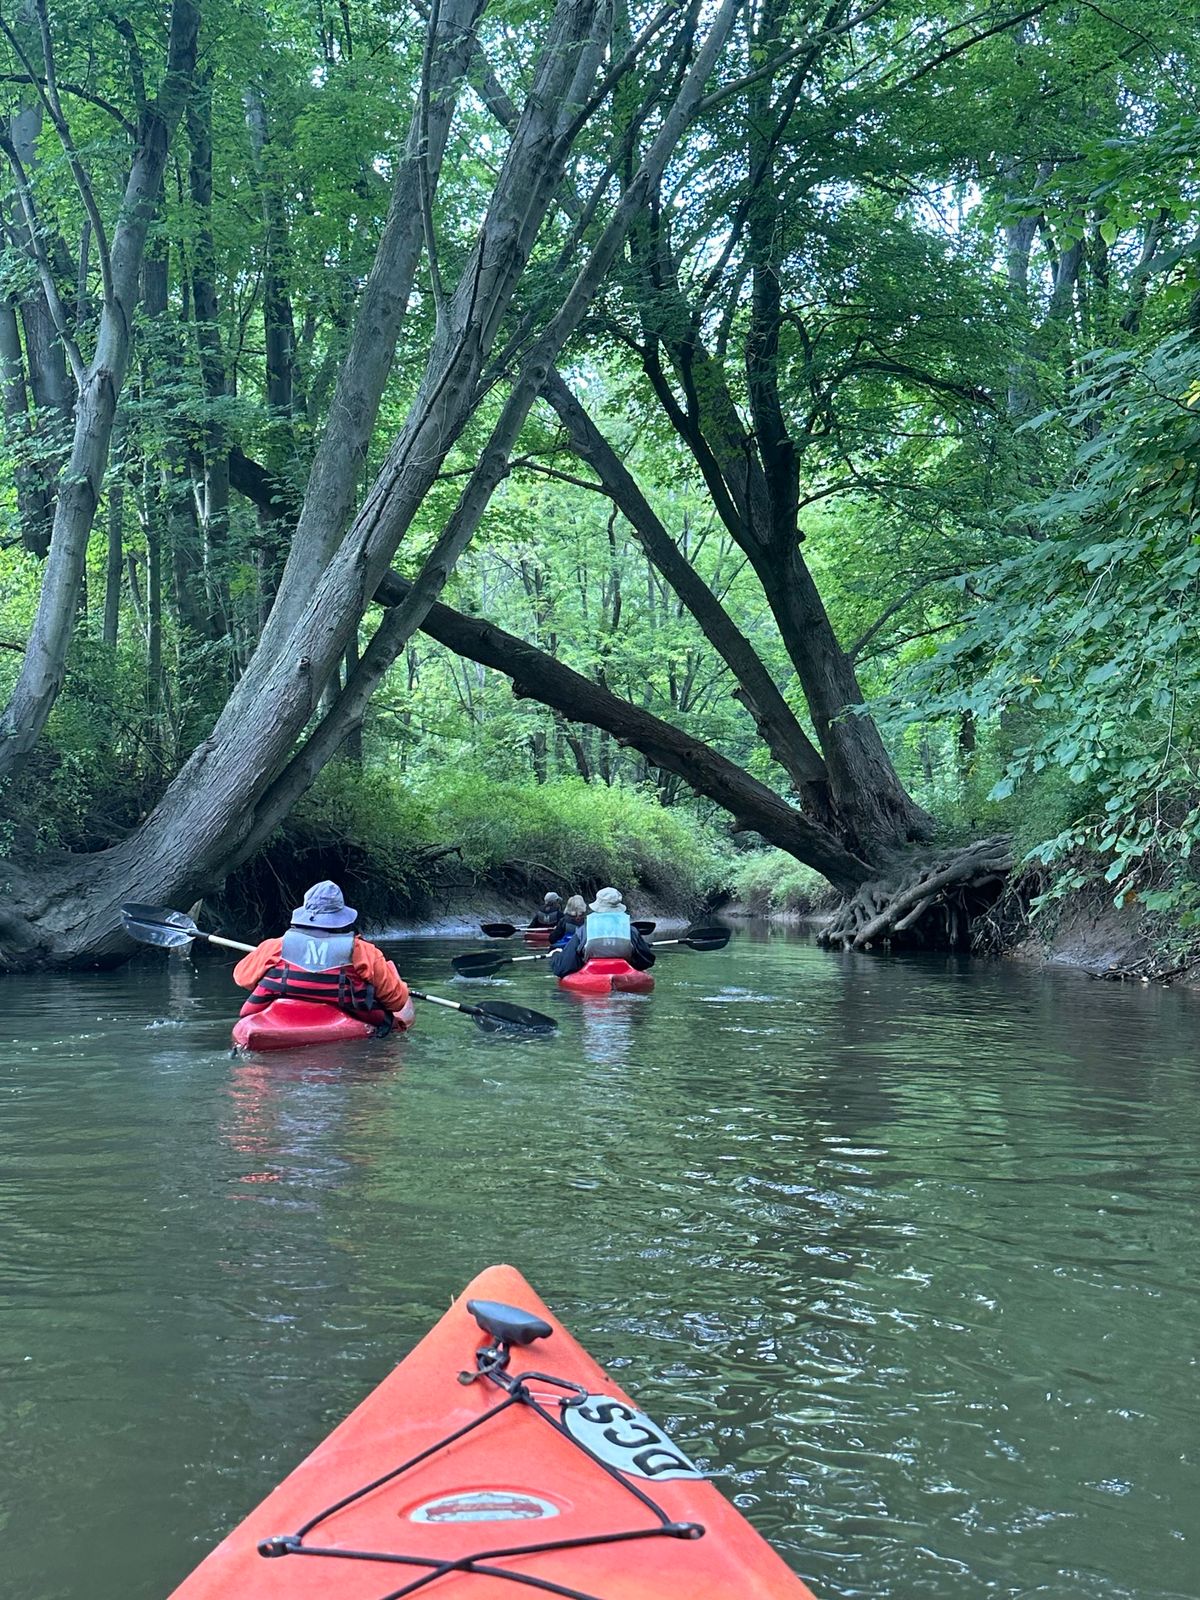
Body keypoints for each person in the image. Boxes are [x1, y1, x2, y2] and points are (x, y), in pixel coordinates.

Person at [233, 881, 410, 1030]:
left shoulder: (276, 946)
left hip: (278, 1018)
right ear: (341, 917)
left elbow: (242, 978)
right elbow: (396, 1002)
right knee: (390, 1025)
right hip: (344, 1016)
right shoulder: (362, 951)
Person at [549, 887, 655, 977]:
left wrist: (555, 955)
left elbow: (562, 968)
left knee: (560, 958)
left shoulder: (584, 930)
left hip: (592, 974)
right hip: (623, 972)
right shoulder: (630, 930)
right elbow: (647, 961)